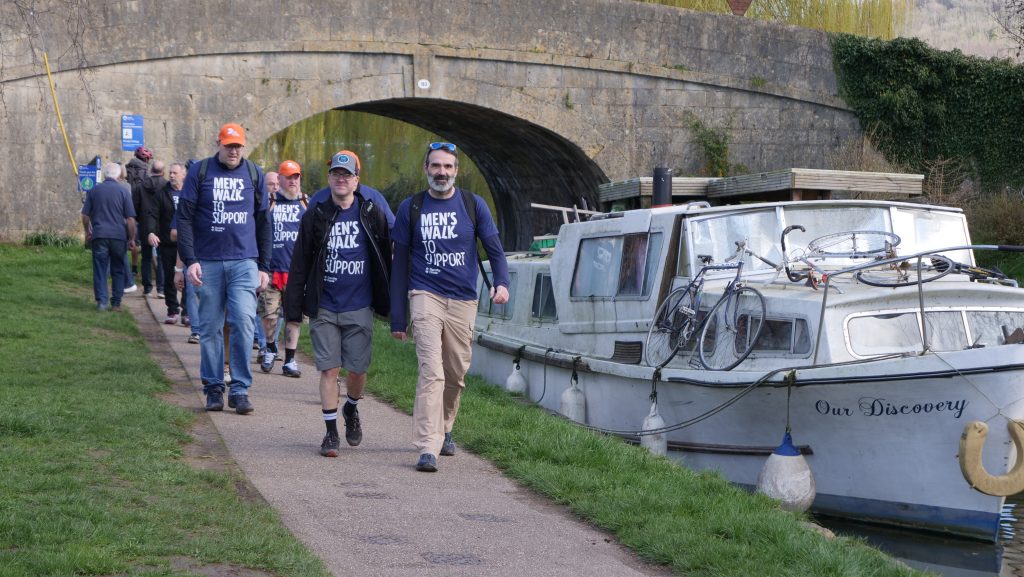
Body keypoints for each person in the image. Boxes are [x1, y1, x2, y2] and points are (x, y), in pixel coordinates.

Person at [390, 142, 509, 472]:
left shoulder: (473, 205)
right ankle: (428, 446)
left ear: (456, 171)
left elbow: (495, 250)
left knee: (456, 374)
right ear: (426, 169)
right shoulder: (411, 208)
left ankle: (445, 426)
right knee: (432, 370)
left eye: (447, 167)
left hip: (462, 299)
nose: (441, 172)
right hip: (424, 294)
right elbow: (399, 264)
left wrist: (502, 283)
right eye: (435, 166)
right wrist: (398, 317)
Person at [285, 151, 392, 457]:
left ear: (357, 181)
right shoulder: (316, 214)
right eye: (336, 174)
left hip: (359, 305)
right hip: (325, 305)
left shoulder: (372, 213)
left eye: (347, 175)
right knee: (329, 369)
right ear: (329, 178)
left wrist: (393, 304)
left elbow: (386, 257)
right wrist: (294, 309)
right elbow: (300, 263)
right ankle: (330, 433)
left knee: (357, 371)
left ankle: (352, 408)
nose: (341, 179)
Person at [176, 123, 272, 415]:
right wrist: (189, 260)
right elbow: (184, 218)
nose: (233, 150)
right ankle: (214, 388)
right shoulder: (200, 172)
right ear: (218, 143)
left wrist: (264, 266)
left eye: (238, 146)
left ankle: (240, 388)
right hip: (208, 262)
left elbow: (264, 221)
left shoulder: (254, 174)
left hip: (244, 261)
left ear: (244, 147)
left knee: (243, 321)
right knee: (210, 327)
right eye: (229, 145)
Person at [259, 161, 308, 377]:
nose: (292, 181)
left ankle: (289, 360)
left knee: (294, 317)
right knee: (269, 316)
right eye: (288, 177)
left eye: (296, 177)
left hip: (296, 273)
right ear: (278, 180)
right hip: (271, 270)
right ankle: (270, 348)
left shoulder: (306, 203)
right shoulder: (269, 202)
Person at [82, 162, 137, 311]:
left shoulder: (94, 191)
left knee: (100, 269)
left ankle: (102, 302)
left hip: (99, 235)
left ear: (104, 175)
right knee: (118, 269)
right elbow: (131, 219)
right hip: (119, 236)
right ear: (119, 175)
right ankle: (116, 303)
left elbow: (85, 215)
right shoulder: (124, 191)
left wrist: (88, 231)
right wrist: (131, 238)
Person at [146, 162, 185, 324]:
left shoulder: (190, 193)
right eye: (170, 172)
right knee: (169, 277)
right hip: (168, 243)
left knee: (188, 278)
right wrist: (151, 232)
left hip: (187, 244)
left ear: (184, 174)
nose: (172, 175)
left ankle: (187, 311)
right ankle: (172, 310)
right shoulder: (162, 193)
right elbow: (152, 215)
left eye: (175, 173)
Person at [127, 146, 155, 295]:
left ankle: (133, 269)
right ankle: (156, 278)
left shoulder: (129, 168)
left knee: (132, 240)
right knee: (147, 245)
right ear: (146, 159)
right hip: (144, 210)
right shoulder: (146, 172)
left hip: (130, 208)